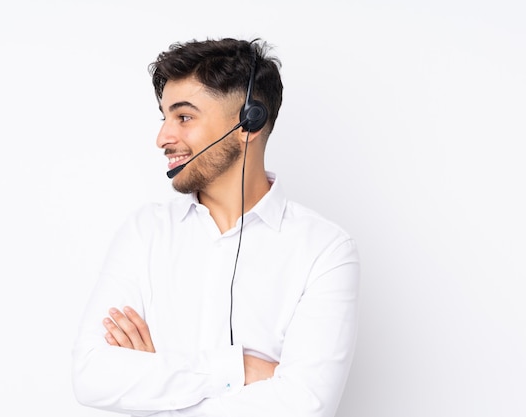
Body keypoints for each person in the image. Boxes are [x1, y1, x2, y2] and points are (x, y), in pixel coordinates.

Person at [72, 37, 360, 417]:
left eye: (184, 117)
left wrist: (157, 377)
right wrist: (237, 369)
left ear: (248, 123)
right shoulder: (145, 232)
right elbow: (92, 376)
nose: (163, 138)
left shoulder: (325, 250)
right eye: (164, 117)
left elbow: (305, 406)